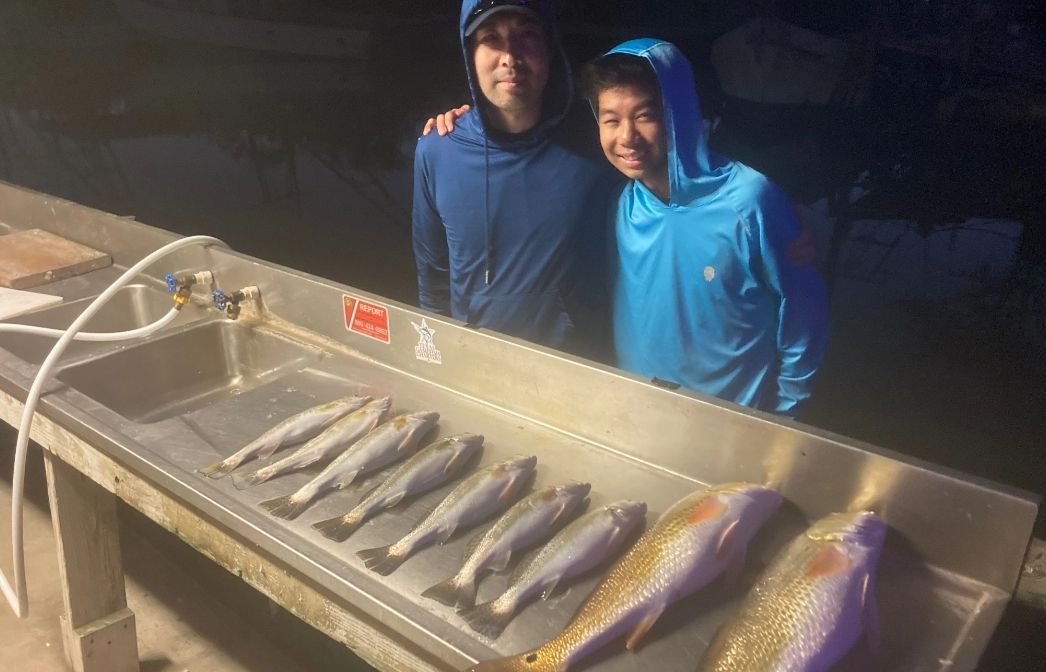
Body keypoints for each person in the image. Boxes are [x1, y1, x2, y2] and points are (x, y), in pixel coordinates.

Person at [580, 39, 829, 417]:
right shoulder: (622, 204)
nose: (626, 137)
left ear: (678, 113)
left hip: (732, 419)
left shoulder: (750, 201)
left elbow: (804, 314)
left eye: (645, 115)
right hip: (639, 409)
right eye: (611, 120)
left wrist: (785, 415)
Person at [412, 0, 617, 352]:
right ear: (469, 55)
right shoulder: (437, 150)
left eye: (527, 35)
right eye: (491, 38)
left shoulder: (598, 142)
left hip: (578, 369)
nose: (510, 56)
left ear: (550, 49)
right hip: (474, 367)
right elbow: (433, 279)